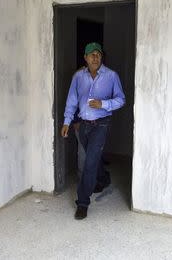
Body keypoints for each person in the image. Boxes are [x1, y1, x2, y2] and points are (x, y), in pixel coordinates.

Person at [61, 42, 125, 220]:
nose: (95, 57)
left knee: (88, 162)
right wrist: (67, 122)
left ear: (101, 57)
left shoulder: (111, 76)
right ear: (85, 58)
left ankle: (82, 203)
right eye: (91, 54)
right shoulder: (78, 77)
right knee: (92, 158)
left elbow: (121, 99)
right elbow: (72, 101)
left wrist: (103, 104)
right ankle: (104, 179)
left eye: (98, 54)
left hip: (101, 124)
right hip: (83, 125)